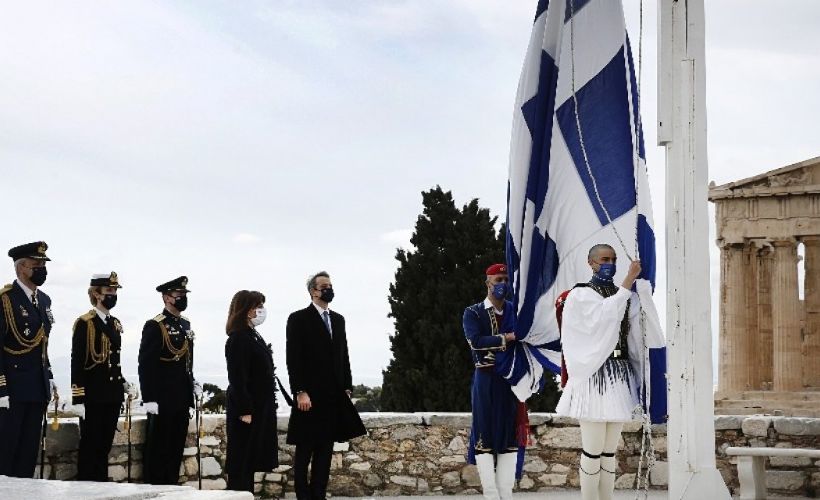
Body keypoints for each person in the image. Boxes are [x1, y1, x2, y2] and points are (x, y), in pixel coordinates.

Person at [555, 244, 664, 500]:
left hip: (619, 375)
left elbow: (636, 335)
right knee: (592, 449)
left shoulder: (625, 295)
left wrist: (642, 293)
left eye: (613, 259)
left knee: (609, 452)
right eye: (605, 259)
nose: (610, 264)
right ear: (591, 263)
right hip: (593, 376)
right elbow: (604, 316)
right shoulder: (580, 295)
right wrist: (629, 280)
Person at [286, 271, 365, 500]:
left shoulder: (338, 320)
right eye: (324, 286)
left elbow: (344, 355)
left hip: (332, 397)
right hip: (309, 397)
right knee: (305, 450)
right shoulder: (298, 318)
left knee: (325, 451)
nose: (329, 290)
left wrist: (347, 387)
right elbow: (293, 358)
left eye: (330, 285)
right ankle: (303, 496)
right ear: (313, 291)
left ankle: (319, 495)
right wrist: (300, 391)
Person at [70, 272, 138, 481]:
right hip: (93, 396)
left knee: (104, 447)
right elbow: (77, 361)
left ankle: (101, 487)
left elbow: (112, 360)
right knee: (90, 447)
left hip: (112, 395)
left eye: (115, 291)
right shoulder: (85, 323)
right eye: (109, 291)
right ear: (96, 294)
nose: (113, 295)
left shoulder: (115, 323)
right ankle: (86, 488)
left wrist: (123, 383)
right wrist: (78, 398)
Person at [0, 241, 60, 478]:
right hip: (12, 390)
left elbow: (42, 343)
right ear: (20, 268)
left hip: (37, 388)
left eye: (43, 265)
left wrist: (49, 376)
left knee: (28, 455)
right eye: (36, 265)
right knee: (6, 454)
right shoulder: (5, 300)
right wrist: (1, 389)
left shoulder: (44, 300)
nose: (42, 270)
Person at [462, 264, 520, 500]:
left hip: (510, 381)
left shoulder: (515, 310)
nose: (503, 284)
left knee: (509, 436)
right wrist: (507, 338)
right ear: (488, 283)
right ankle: (491, 494)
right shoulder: (473, 313)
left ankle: (506, 494)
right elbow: (475, 342)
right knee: (483, 434)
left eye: (506, 279)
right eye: (498, 280)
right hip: (485, 379)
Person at [138, 275, 201, 485]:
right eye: (178, 294)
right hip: (162, 400)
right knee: (158, 451)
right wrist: (149, 398)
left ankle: (172, 489)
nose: (182, 297)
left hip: (181, 398)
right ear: (166, 297)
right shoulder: (155, 325)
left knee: (175, 451)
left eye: (184, 294)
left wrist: (192, 384)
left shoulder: (185, 324)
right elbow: (146, 365)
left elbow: (187, 361)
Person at [224, 290, 278, 493]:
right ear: (247, 311)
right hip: (247, 410)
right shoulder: (239, 338)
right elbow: (238, 378)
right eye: (259, 306)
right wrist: (245, 410)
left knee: (250, 460)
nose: (262, 310)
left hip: (259, 406)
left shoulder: (252, 335)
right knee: (241, 461)